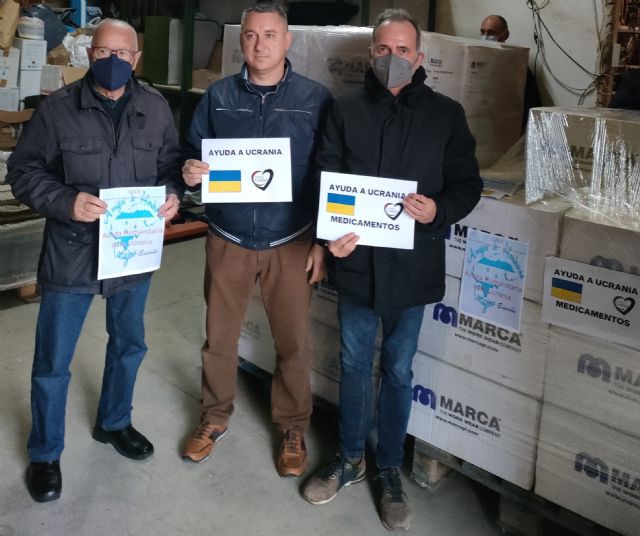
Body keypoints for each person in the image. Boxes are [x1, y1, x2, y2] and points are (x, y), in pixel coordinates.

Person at [301, 9, 482, 531]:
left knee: (399, 370)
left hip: (413, 264)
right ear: (371, 54)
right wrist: (328, 234)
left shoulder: (446, 115)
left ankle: (388, 468)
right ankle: (349, 458)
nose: (393, 58)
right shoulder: (345, 109)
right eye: (383, 49)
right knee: (354, 364)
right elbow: (325, 175)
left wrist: (438, 209)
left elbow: (467, 185)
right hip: (357, 262)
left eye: (403, 50)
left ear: (419, 57)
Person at [7, 19, 182, 503]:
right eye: (104, 51)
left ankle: (114, 422)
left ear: (136, 59)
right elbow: (22, 171)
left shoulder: (155, 108)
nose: (113, 61)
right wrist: (66, 201)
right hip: (72, 252)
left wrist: (171, 194)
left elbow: (170, 166)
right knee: (53, 360)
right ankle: (45, 453)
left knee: (129, 345)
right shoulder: (57, 109)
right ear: (89, 54)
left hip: (132, 251)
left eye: (123, 54)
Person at [180, 2, 332, 477]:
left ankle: (292, 427)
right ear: (240, 40)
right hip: (229, 236)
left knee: (293, 342)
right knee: (219, 339)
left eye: (269, 35)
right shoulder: (218, 95)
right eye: (250, 35)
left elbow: (329, 171)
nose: (259, 44)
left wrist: (321, 241)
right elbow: (193, 151)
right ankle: (213, 416)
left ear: (287, 41)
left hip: (291, 239)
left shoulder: (314, 98)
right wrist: (190, 171)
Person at [480, 14, 542, 131]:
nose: (485, 37)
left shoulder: (517, 65)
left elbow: (532, 102)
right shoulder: (475, 59)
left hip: (506, 127)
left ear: (506, 35)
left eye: (492, 32)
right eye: (483, 32)